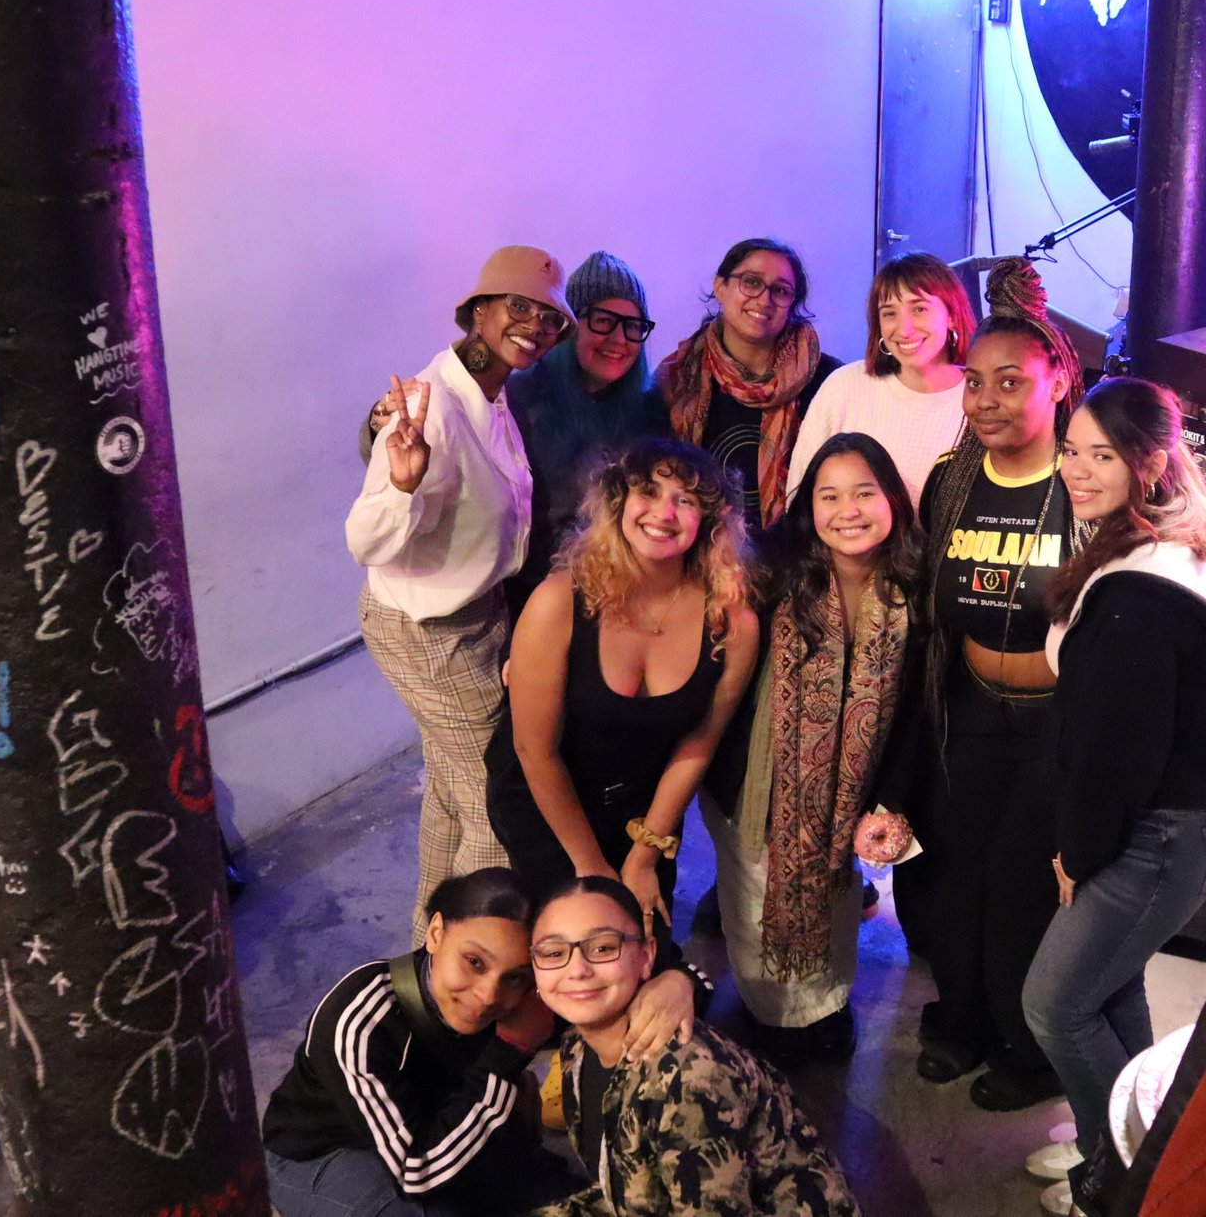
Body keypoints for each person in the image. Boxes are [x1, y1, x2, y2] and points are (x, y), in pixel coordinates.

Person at [1021, 378, 1206, 1217]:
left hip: (1160, 832)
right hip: (1172, 821)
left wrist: (1076, 855)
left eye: (1102, 456)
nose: (1077, 470)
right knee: (1111, 986)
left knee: (1055, 1006)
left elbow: (1118, 756)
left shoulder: (1139, 595)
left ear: (1147, 465)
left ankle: (1119, 1183)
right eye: (1071, 451)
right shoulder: (1150, 541)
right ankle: (1118, 1145)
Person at [884, 257, 1087, 1113]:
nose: (987, 399)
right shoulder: (953, 479)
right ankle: (962, 1019)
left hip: (1053, 720)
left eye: (1012, 381)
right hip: (964, 704)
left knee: (1021, 885)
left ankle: (1026, 1046)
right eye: (975, 381)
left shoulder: (1085, 483)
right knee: (952, 873)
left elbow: (1176, 533)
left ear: (1058, 381)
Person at [259, 867, 702, 1217]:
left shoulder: (525, 996)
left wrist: (680, 980)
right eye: (474, 962)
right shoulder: (362, 1020)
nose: (489, 995)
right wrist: (510, 1051)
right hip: (327, 1153)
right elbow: (417, 1172)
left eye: (516, 976)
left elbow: (612, 989)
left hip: (448, 1126)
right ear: (436, 933)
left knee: (559, 1195)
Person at [349, 245, 571, 919]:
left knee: (451, 794)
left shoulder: (490, 393)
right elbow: (366, 541)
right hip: (431, 633)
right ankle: (477, 959)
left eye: (549, 317)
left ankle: (429, 947)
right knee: (495, 809)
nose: (534, 324)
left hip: (476, 618)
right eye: (517, 306)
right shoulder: (431, 406)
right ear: (479, 311)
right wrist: (402, 485)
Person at [699, 432, 927, 1063]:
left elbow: (917, 705)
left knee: (836, 897)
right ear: (809, 506)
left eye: (864, 493)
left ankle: (825, 1006)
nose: (848, 511)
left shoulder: (914, 587)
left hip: (851, 793)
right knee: (754, 898)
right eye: (830, 496)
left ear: (893, 500)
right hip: (757, 782)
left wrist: (889, 798)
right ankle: (771, 1014)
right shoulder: (770, 573)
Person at [485, 438, 760, 927]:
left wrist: (645, 856)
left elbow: (699, 744)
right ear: (618, 503)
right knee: (576, 940)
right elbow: (534, 751)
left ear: (708, 520)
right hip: (546, 804)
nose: (663, 513)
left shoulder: (731, 623)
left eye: (685, 500)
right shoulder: (558, 602)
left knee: (648, 942)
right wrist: (592, 868)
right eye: (648, 492)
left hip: (642, 812)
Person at [365, 252, 668, 627]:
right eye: (603, 321)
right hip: (527, 598)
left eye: (633, 326)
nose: (619, 339)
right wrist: (378, 422)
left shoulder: (650, 408)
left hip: (617, 592)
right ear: (571, 328)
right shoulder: (518, 398)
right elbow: (411, 453)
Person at [529, 878, 860, 1217]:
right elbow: (622, 1180)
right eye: (554, 953)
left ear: (646, 955)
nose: (577, 969)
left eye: (602, 948)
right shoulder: (576, 1048)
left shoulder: (688, 1080)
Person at [656, 237, 841, 525]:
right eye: (751, 282)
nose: (764, 300)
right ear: (720, 287)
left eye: (780, 291)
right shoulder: (677, 376)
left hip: (799, 545)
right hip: (700, 543)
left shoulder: (828, 382)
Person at [784, 251, 973, 502]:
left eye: (919, 309)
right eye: (889, 313)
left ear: (951, 315)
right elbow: (799, 497)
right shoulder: (844, 387)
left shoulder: (980, 398)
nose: (904, 329)